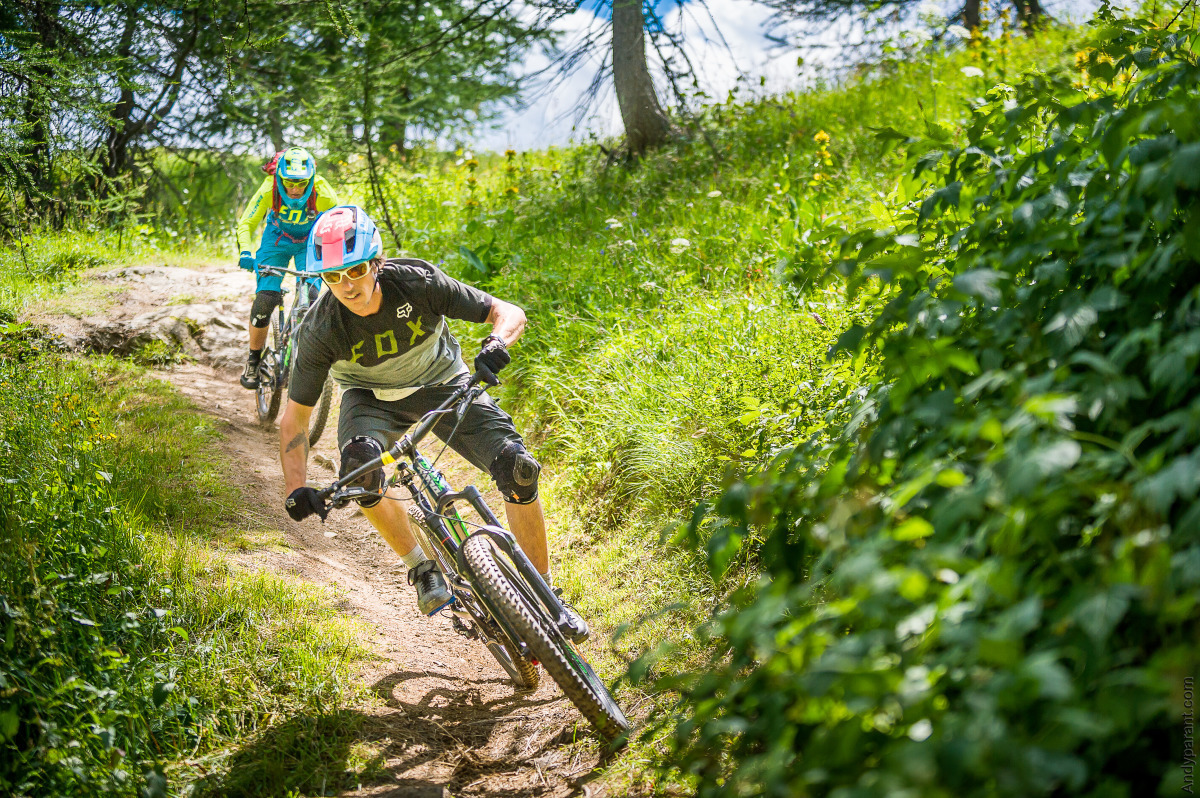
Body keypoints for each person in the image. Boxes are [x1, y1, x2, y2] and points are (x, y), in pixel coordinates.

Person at [277, 205, 575, 629]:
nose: (346, 285)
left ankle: (544, 590)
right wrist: (296, 486)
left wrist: (495, 343)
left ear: (376, 263)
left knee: (518, 469)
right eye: (331, 276)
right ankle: (421, 566)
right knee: (361, 474)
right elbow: (295, 419)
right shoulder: (321, 328)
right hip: (371, 400)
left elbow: (507, 313)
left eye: (355, 269)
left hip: (445, 384)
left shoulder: (417, 283)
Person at [235, 146, 340, 389]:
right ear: (280, 178)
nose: (294, 189)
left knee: (312, 298)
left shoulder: (322, 191)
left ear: (311, 179)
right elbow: (247, 222)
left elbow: (336, 225)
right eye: (289, 182)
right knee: (265, 299)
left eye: (301, 183)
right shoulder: (269, 187)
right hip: (276, 240)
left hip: (310, 243)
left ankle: (306, 353)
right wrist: (245, 251)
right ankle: (253, 360)